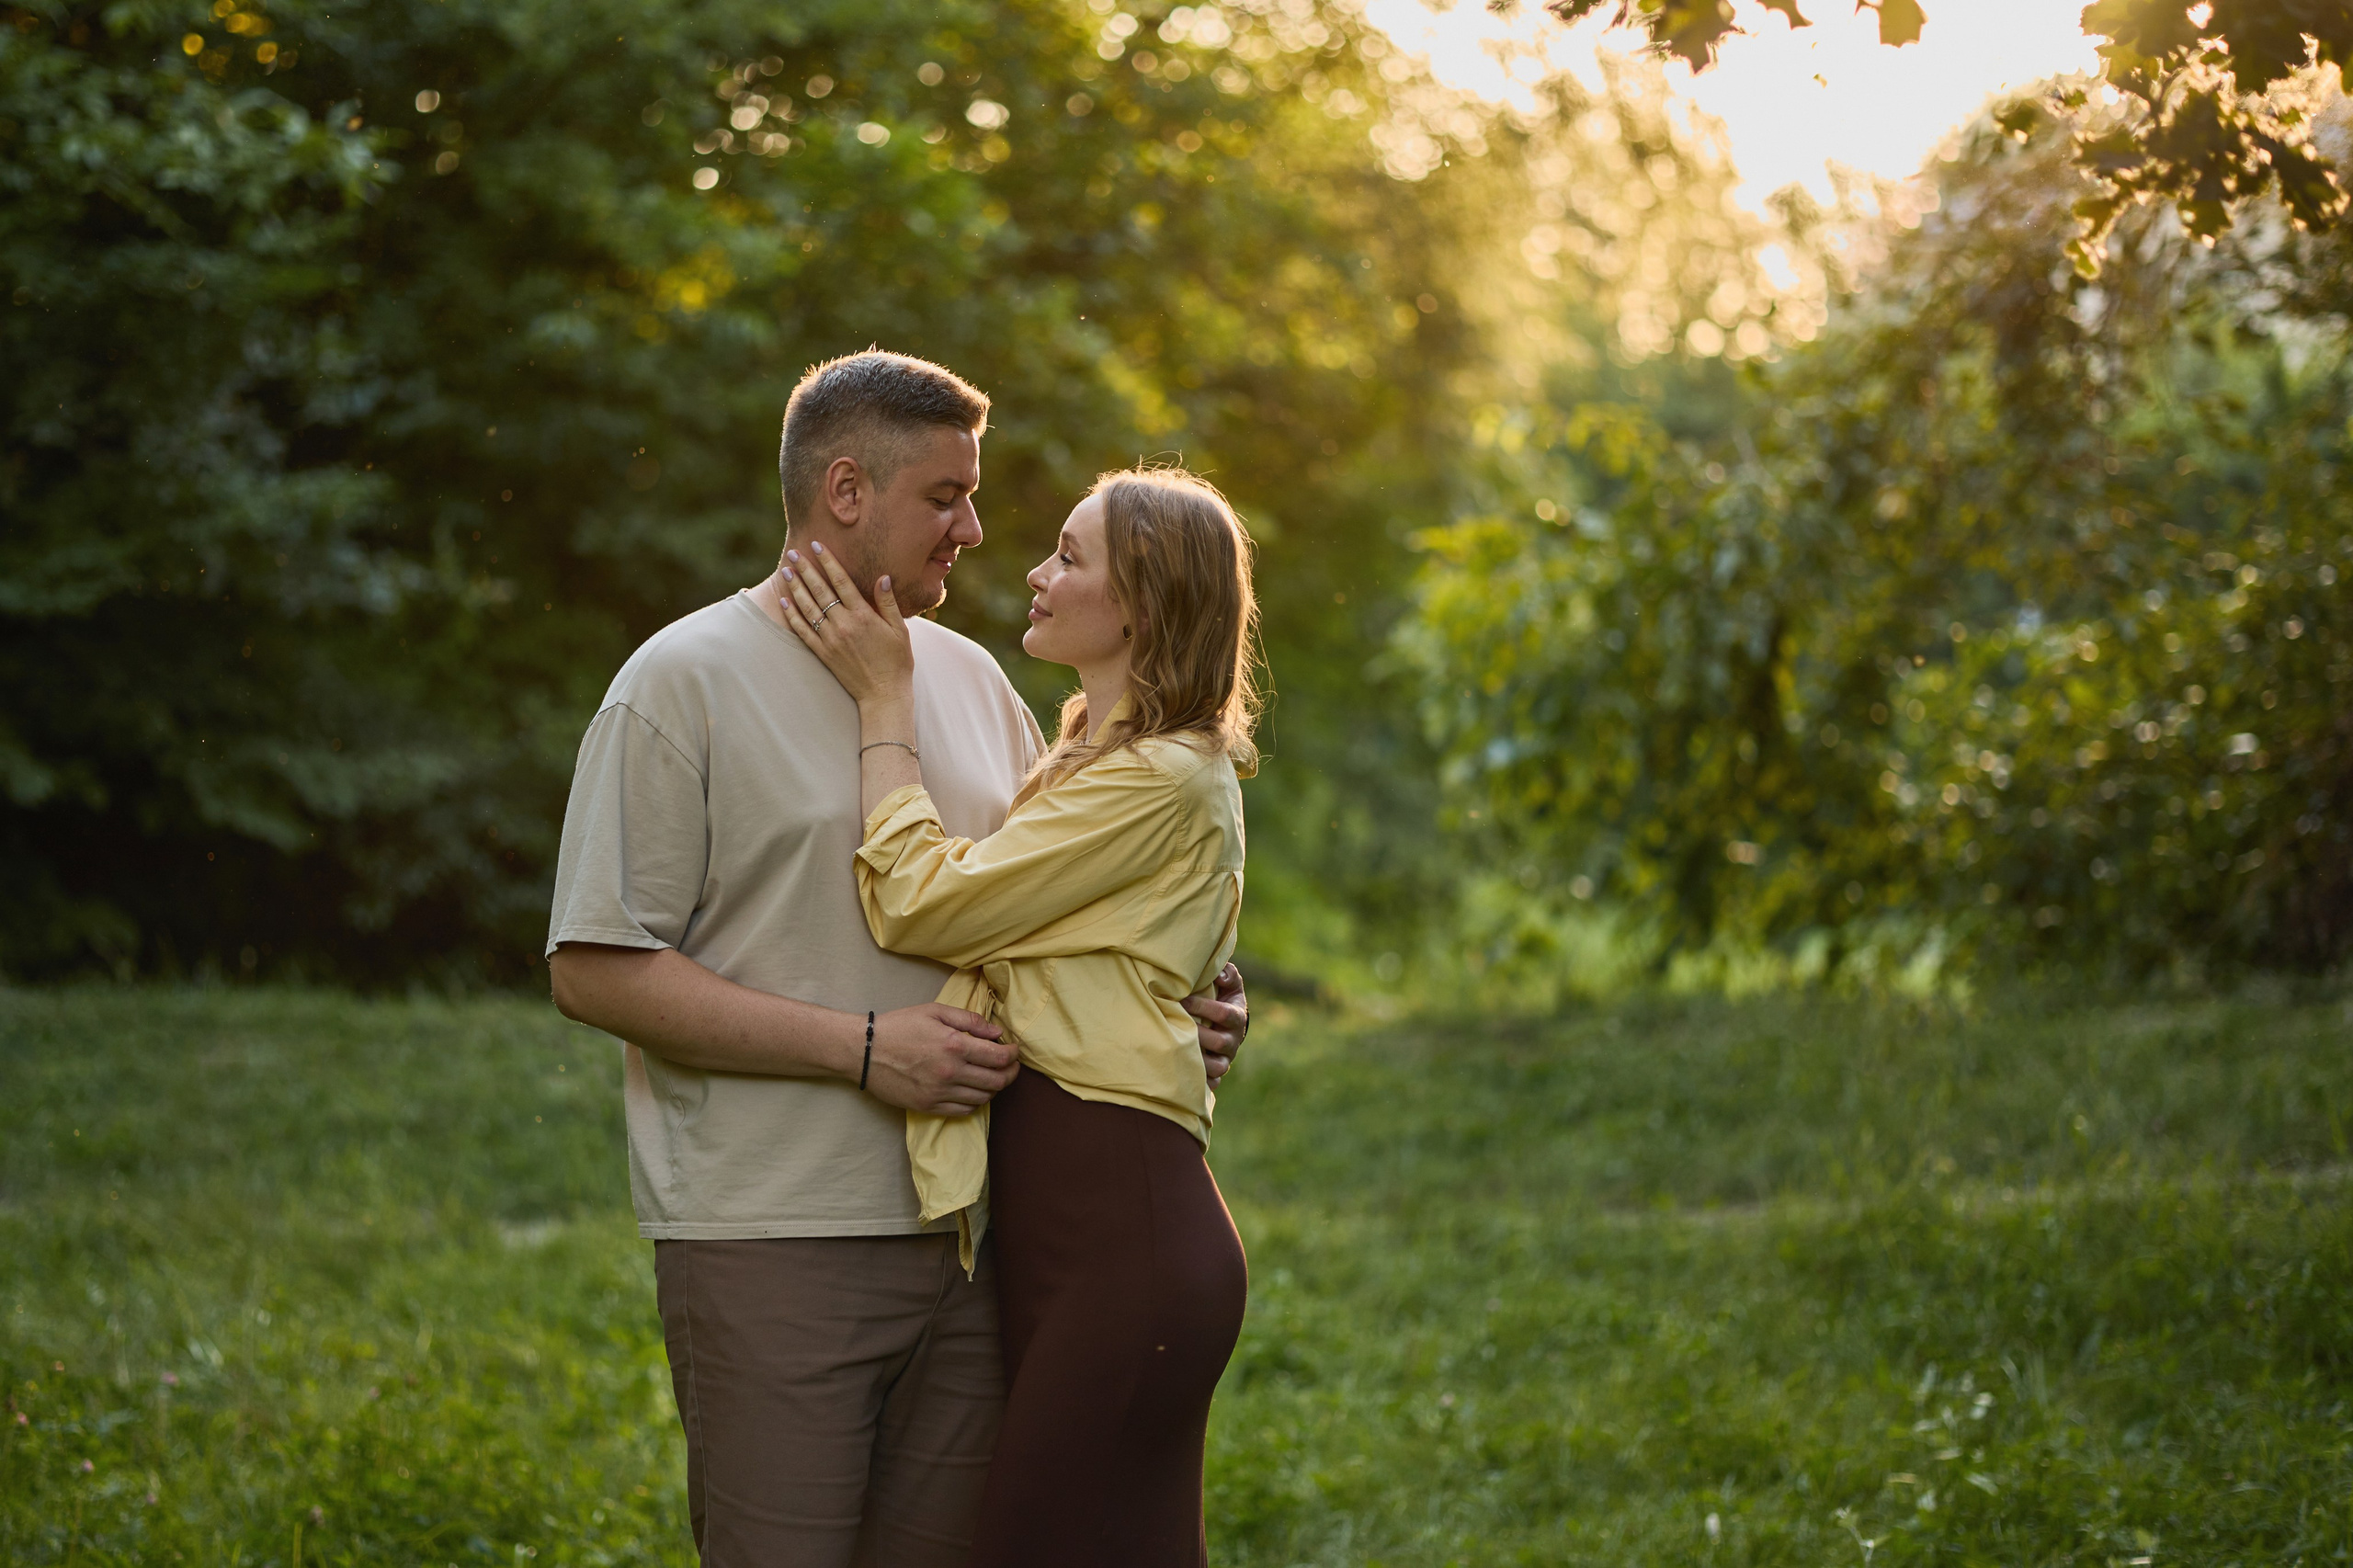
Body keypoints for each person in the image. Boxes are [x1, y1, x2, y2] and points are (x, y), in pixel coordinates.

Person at [544, 350, 1249, 1568]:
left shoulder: (983, 685)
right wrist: (865, 1051)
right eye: (945, 497)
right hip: (776, 1241)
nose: (976, 528)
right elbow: (596, 968)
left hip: (981, 1240)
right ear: (847, 491)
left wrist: (1181, 1001)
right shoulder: (679, 684)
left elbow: (1054, 915)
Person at [775, 462, 1259, 1566]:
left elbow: (922, 901)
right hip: (1085, 1235)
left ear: (1139, 600)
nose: (1036, 572)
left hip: (1121, 1233)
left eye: (1070, 556)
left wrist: (882, 703)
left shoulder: (1159, 779)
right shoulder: (1102, 759)